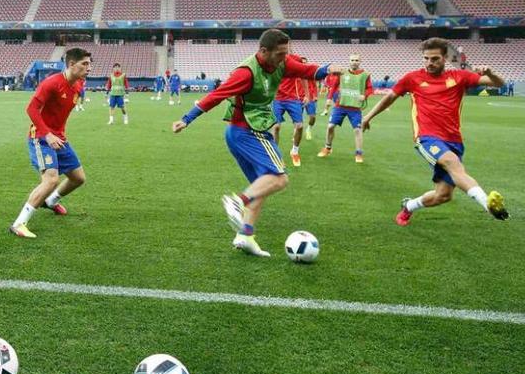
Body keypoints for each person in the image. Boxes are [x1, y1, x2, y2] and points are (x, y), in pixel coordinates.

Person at [172, 29, 341, 257]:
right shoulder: (245, 73)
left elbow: (307, 70)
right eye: (280, 53)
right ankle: (237, 202)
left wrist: (327, 69)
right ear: (263, 51)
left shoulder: (283, 62)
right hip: (247, 133)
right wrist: (186, 119)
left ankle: (245, 236)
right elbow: (217, 95)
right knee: (279, 179)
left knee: (261, 186)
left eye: (286, 53)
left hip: (248, 131)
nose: (285, 57)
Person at [362, 37, 508, 225]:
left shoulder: (459, 77)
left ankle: (409, 206)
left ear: (445, 58)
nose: (429, 63)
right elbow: (389, 97)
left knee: (443, 195)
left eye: (435, 59)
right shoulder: (412, 78)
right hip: (426, 138)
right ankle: (488, 204)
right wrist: (368, 117)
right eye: (426, 58)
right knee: (452, 163)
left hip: (454, 140)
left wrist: (491, 73)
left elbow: (498, 83)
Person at [9, 47, 91, 238]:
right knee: (51, 179)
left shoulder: (78, 85)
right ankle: (19, 224)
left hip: (59, 138)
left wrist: (60, 133)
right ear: (71, 64)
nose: (89, 68)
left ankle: (51, 201)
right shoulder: (52, 83)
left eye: (89, 64)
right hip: (40, 137)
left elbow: (60, 114)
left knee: (78, 178)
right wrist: (47, 134)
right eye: (84, 64)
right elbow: (31, 109)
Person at [317, 54, 373, 163]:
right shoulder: (342, 73)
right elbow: (334, 86)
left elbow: (370, 89)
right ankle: (327, 148)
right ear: (349, 61)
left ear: (360, 61)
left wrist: (365, 95)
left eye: (356, 60)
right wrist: (329, 99)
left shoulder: (365, 75)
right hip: (340, 106)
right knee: (330, 127)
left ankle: (359, 153)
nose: (354, 62)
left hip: (355, 108)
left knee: (357, 130)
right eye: (352, 60)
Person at [271, 66, 307, 167]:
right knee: (276, 126)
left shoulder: (294, 64)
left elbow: (304, 77)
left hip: (293, 99)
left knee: (299, 126)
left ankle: (294, 151)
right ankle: (275, 154)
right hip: (277, 99)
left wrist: (307, 95)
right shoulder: (274, 63)